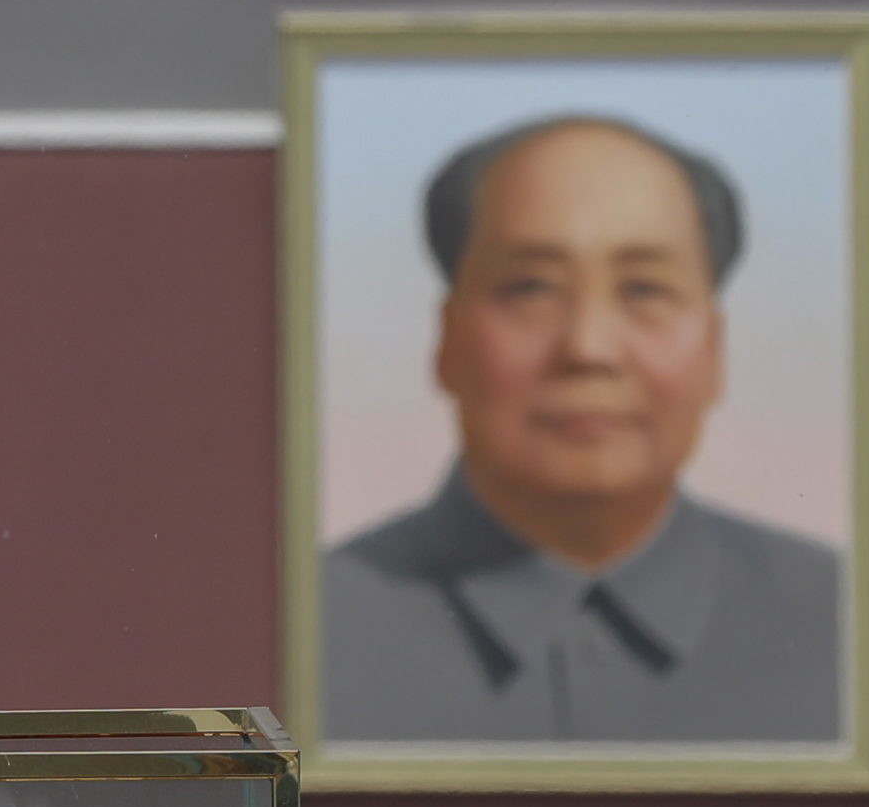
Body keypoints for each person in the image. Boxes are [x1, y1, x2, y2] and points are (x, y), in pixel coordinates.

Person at [324, 114, 840, 744]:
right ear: (447, 340)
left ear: (715, 349)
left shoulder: (850, 627)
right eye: (532, 288)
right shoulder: (306, 628)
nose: (589, 348)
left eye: (645, 289)